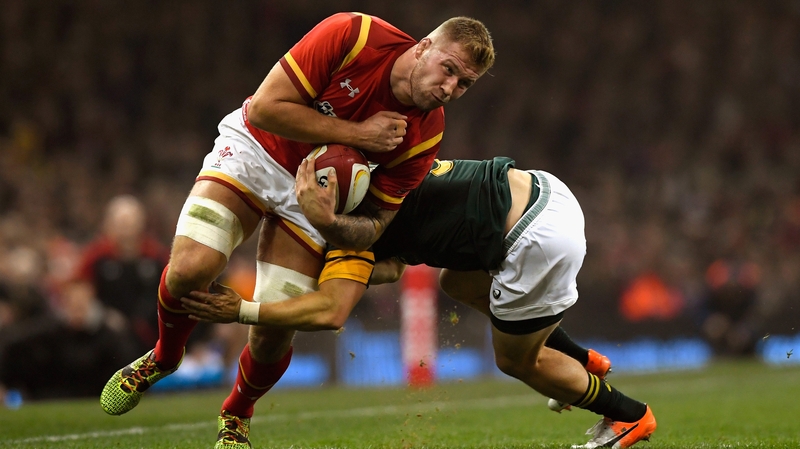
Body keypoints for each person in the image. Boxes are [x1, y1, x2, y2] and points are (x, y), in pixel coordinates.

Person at [100, 12, 495, 449]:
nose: (450, 89)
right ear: (423, 46)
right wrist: (357, 133)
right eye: (449, 70)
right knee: (191, 269)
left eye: (464, 84)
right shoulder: (354, 35)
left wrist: (328, 220)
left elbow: (376, 224)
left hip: (315, 203)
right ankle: (164, 357)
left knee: (275, 325)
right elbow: (268, 109)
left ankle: (236, 414)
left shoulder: (425, 135)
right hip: (256, 150)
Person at [182, 158, 657, 448]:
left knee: (515, 361)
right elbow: (394, 266)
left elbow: (330, 312)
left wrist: (240, 310)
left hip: (531, 236)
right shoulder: (389, 172)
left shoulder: (353, 229)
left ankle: (628, 415)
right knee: (457, 283)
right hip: (543, 190)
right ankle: (585, 359)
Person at [77, 194, 169, 354]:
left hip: (151, 335)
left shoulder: (156, 256)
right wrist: (102, 315)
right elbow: (79, 291)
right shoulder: (95, 257)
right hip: (106, 337)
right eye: (120, 223)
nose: (125, 229)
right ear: (108, 224)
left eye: (130, 222)